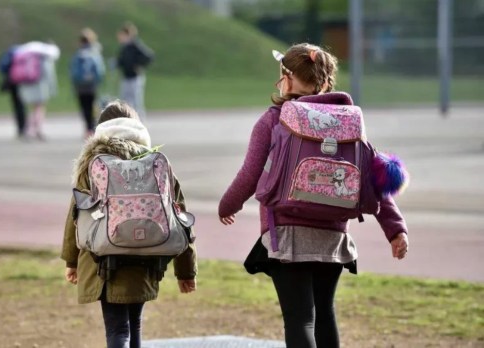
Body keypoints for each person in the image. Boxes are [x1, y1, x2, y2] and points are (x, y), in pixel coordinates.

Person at [218, 43, 409, 348]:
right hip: (333, 235)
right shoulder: (347, 121)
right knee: (325, 314)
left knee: (300, 319)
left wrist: (227, 205)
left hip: (287, 233)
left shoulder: (273, 119)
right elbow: (374, 174)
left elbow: (250, 174)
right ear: (325, 80)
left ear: (288, 77)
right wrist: (395, 229)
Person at [62, 100, 197, 348]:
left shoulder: (93, 164)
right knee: (134, 325)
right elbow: (179, 216)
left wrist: (72, 261)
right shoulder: (154, 163)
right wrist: (185, 271)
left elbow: (75, 215)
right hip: (147, 257)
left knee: (117, 330)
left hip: (102, 260)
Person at [16, 41, 59, 141]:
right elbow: (49, 75)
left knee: (34, 109)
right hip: (40, 86)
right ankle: (35, 130)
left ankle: (30, 130)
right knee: (40, 108)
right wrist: (52, 88)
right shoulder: (45, 57)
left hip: (29, 85)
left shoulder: (28, 56)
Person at [70, 28, 105, 138]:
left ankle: (87, 130)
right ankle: (93, 128)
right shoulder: (94, 53)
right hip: (92, 86)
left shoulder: (78, 55)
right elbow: (100, 71)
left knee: (84, 108)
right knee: (93, 108)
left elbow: (73, 71)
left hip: (80, 87)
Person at [116, 22, 153, 121]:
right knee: (124, 102)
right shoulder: (124, 47)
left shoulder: (135, 45)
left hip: (135, 78)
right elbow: (123, 61)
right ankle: (128, 122)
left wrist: (139, 65)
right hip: (126, 77)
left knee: (136, 102)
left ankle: (141, 123)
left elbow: (149, 56)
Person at [0, 45, 27, 138]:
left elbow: (2, 67)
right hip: (22, 81)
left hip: (13, 82)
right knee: (22, 105)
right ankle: (23, 127)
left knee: (16, 105)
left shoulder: (10, 55)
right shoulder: (25, 55)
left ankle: (20, 127)